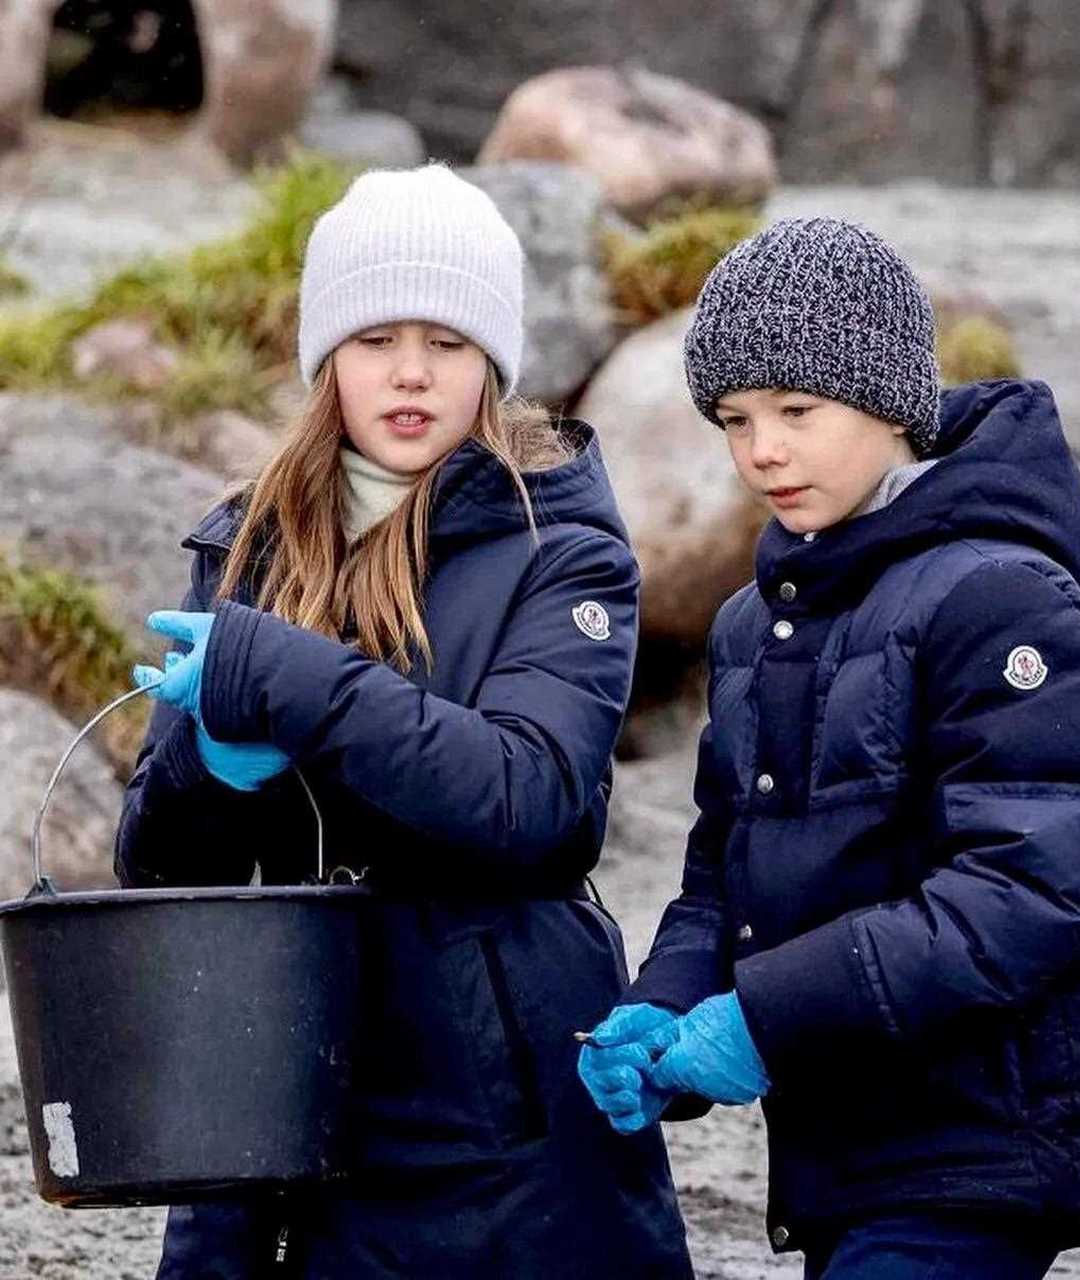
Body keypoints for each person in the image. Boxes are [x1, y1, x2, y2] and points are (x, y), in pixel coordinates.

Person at [115, 164, 693, 1279]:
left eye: (448, 339)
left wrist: (291, 681)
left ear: (493, 365)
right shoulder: (244, 550)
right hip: (277, 1086)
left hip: (500, 1126)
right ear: (327, 355)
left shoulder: (564, 548)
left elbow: (531, 802)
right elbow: (154, 863)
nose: (413, 371)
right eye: (377, 335)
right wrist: (212, 771)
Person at [577, 217, 1080, 1279]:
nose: (762, 450)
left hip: (982, 1139)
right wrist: (664, 1009)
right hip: (841, 1144)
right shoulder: (754, 623)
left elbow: (1024, 891)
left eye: (796, 409)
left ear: (889, 401)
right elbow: (720, 873)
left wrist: (762, 1017)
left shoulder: (1002, 597)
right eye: (733, 420)